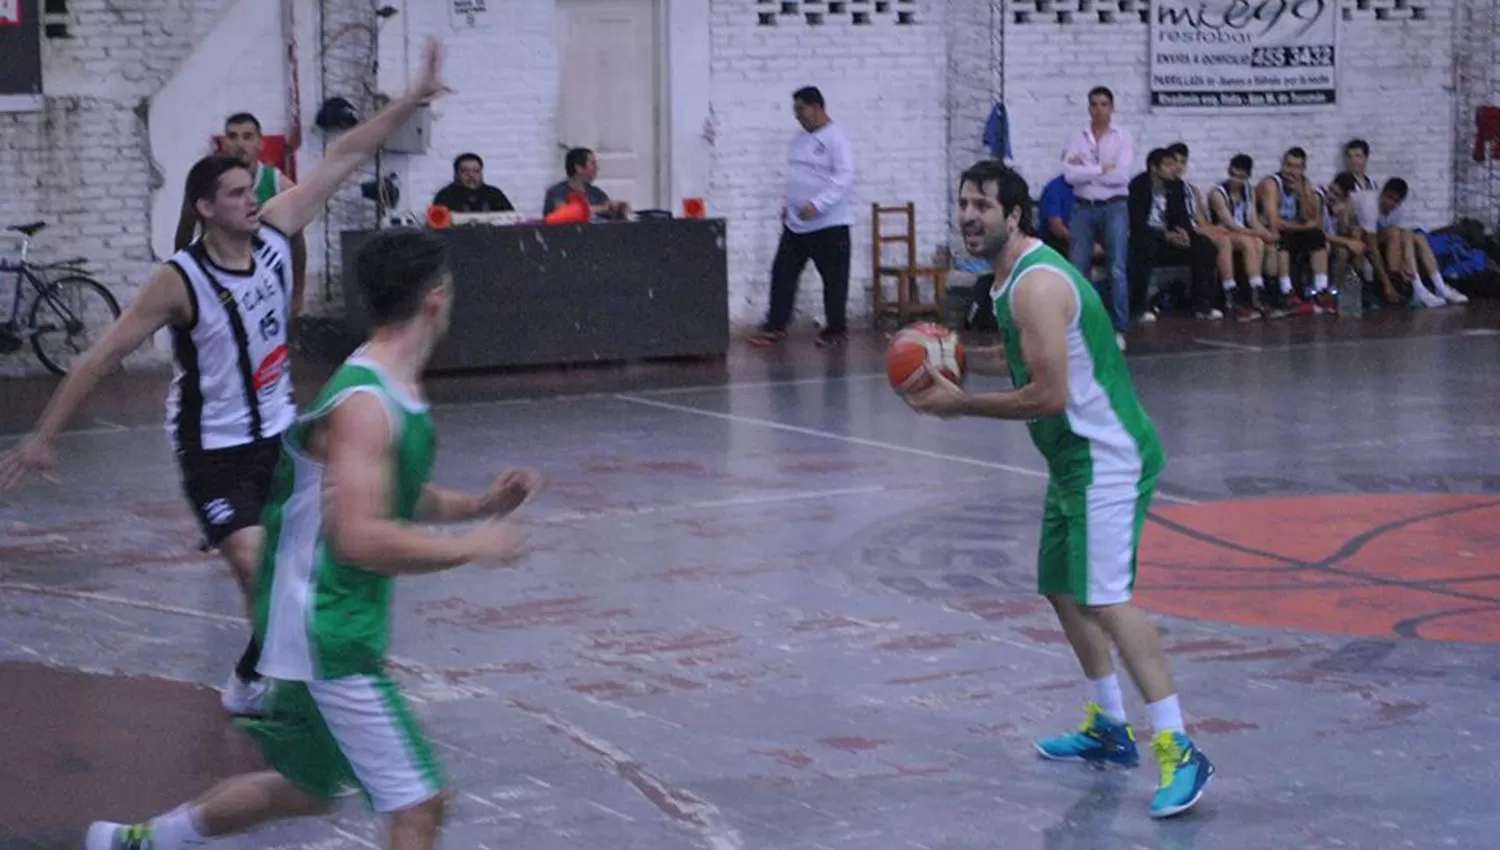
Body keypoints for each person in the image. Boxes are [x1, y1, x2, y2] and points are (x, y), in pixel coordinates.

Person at [0, 39, 454, 720]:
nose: (254, 197)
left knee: (301, 567)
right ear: (207, 208)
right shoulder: (178, 281)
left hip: (281, 435)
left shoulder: (274, 234)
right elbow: (97, 356)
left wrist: (410, 100)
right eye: (238, 192)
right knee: (257, 564)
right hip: (212, 450)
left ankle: (254, 673)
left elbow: (343, 155)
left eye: (254, 188)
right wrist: (43, 436)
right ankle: (282, 678)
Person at [82, 227, 539, 850]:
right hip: (324, 631)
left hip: (316, 623)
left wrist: (476, 506)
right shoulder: (365, 403)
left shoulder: (391, 388)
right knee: (419, 803)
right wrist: (472, 546)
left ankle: (137, 841)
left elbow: (385, 492)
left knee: (308, 788)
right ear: (435, 297)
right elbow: (360, 537)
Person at [906, 159, 1215, 820]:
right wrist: (957, 358)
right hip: (1072, 460)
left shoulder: (1036, 287)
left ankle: (1181, 747)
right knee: (1061, 587)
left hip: (1108, 458)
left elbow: (1047, 392)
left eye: (983, 206)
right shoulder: (1007, 280)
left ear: (1014, 215)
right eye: (963, 203)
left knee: (1108, 600)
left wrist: (960, 404)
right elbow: (1029, 358)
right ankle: (1110, 726)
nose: (969, 215)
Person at [746, 85, 856, 349]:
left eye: (801, 110)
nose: (797, 116)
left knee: (833, 280)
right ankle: (776, 326)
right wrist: (790, 203)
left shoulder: (836, 139)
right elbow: (796, 176)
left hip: (829, 225)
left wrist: (818, 204)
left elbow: (844, 178)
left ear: (817, 108)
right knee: (782, 272)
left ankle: (835, 331)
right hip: (797, 224)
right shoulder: (799, 139)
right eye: (795, 110)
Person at [175, 112, 309, 318]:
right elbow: (184, 231)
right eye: (233, 136)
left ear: (260, 143)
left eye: (247, 136)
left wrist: (298, 293)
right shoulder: (205, 182)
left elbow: (297, 241)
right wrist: (182, 283)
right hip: (219, 281)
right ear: (223, 143)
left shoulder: (279, 185)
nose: (240, 144)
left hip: (265, 284)